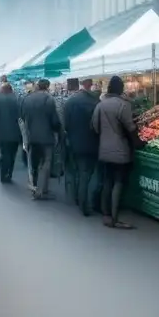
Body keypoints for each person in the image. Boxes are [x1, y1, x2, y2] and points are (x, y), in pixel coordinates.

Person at [91, 76, 137, 229]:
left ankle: (106, 215)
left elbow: (95, 128)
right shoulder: (123, 105)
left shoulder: (100, 105)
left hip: (104, 150)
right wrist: (138, 143)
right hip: (120, 151)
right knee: (118, 182)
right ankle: (115, 218)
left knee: (107, 181)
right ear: (121, 88)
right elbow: (131, 128)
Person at [64, 78, 100, 216]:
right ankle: (86, 203)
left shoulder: (70, 102)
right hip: (92, 143)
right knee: (89, 173)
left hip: (74, 143)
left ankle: (79, 199)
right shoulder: (95, 102)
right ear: (90, 85)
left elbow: (66, 124)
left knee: (79, 172)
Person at [20, 78, 61, 200]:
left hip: (31, 136)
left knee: (34, 162)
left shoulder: (27, 99)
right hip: (47, 137)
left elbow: (22, 116)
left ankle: (35, 185)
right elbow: (54, 120)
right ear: (47, 87)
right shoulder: (49, 99)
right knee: (46, 163)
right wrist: (58, 130)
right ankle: (42, 190)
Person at [0, 82, 22, 183]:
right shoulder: (17, 99)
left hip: (1, 133)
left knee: (4, 154)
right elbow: (21, 117)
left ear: (2, 90)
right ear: (11, 90)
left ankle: (3, 175)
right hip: (15, 133)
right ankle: (9, 173)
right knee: (12, 154)